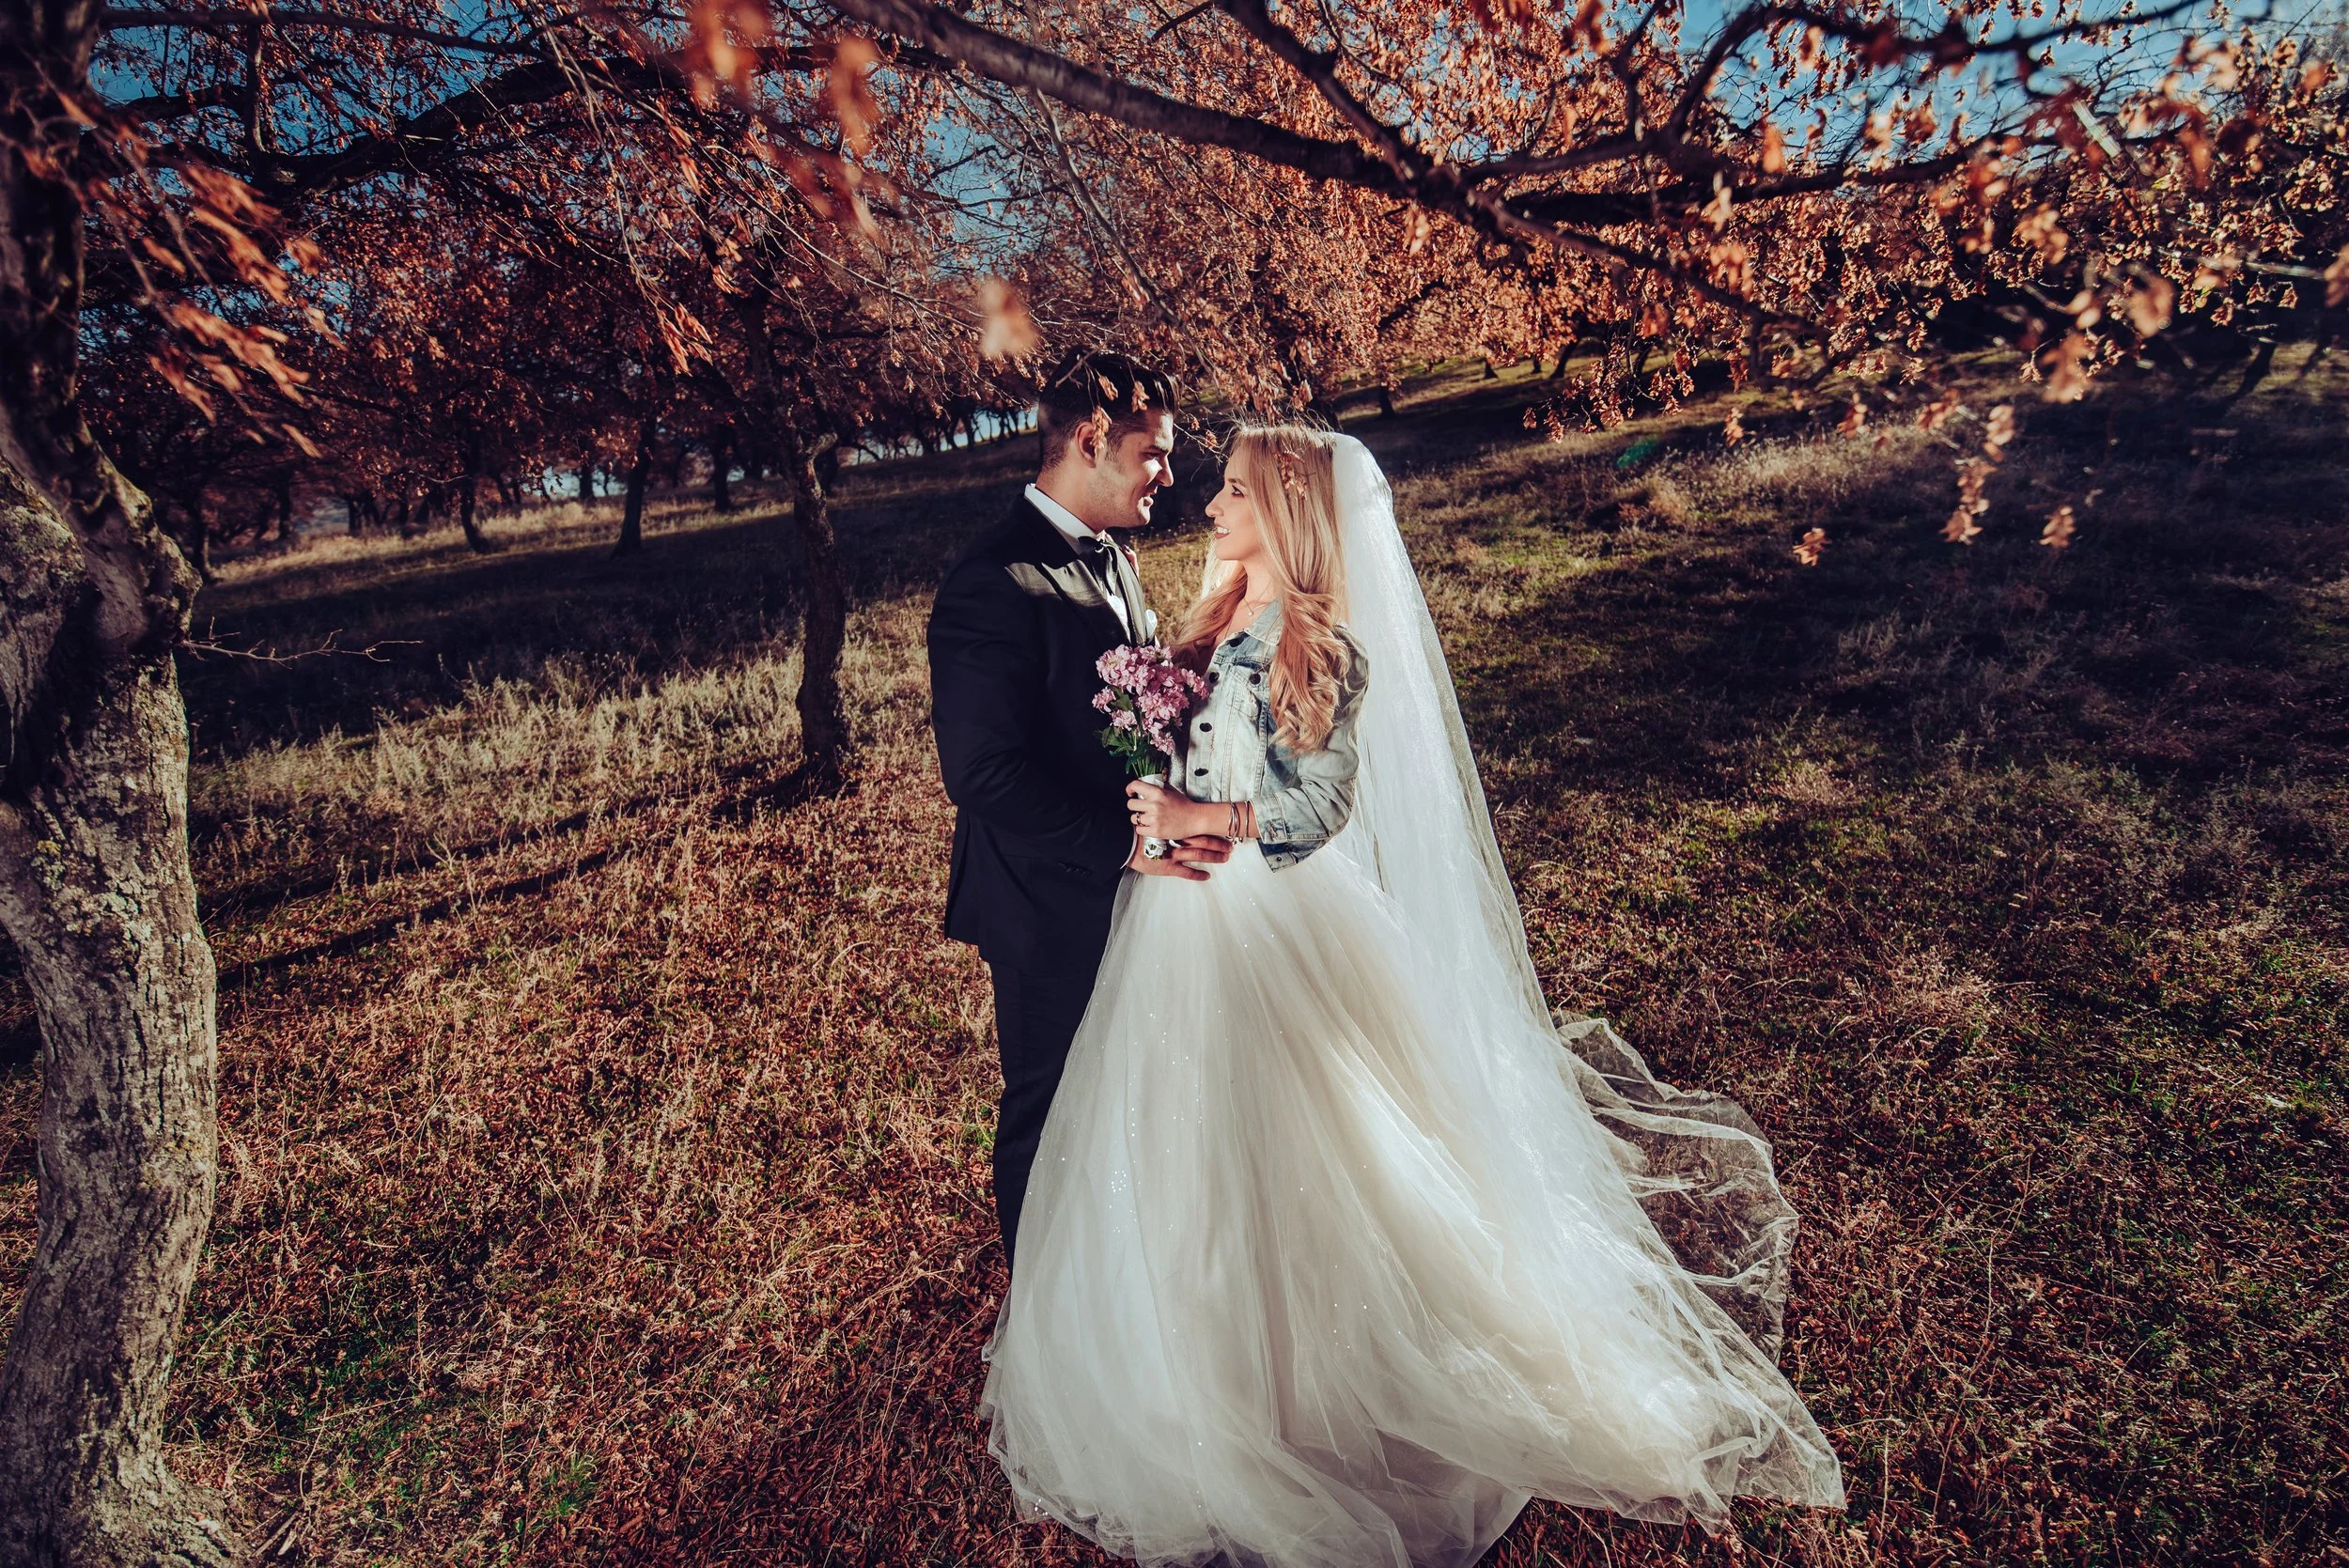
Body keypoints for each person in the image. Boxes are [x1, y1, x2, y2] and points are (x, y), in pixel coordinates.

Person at [978, 425, 1846, 1565]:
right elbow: (1179, 751)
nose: (1212, 506)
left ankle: (1322, 1382)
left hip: (1269, 916)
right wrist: (1153, 794)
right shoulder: (1205, 618)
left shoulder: (1315, 642)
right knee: (1173, 1133)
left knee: (1314, 1139)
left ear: (1290, 512)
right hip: (1176, 920)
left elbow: (1318, 805)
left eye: (1234, 491)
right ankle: (1184, 1362)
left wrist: (1210, 819)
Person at [927, 349, 1229, 1270]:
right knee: (1050, 1114)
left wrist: (1205, 658)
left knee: (1118, 1095)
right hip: (1046, 901)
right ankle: (1039, 1329)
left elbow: (1110, 705)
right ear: (1093, 440)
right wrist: (1123, 846)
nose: (1168, 476)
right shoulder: (993, 580)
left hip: (1121, 885)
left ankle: (1111, 1285)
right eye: (1154, 454)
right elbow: (981, 774)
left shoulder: (1112, 556)